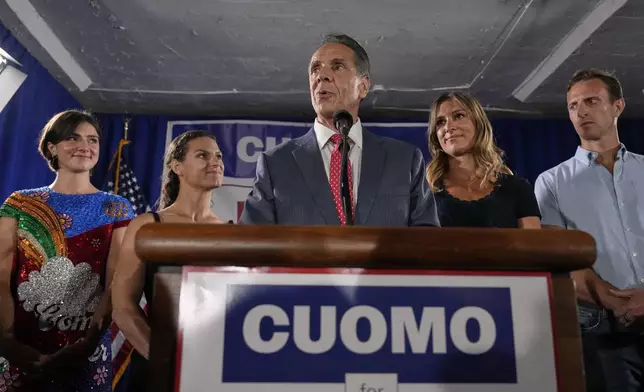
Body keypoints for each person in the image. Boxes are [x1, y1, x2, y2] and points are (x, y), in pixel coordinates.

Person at [240, 33, 439, 226]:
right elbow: (250, 246)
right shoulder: (275, 164)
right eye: (315, 69)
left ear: (363, 86)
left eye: (337, 67)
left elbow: (427, 242)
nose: (322, 76)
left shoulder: (404, 160)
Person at [0, 109, 134, 391]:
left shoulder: (117, 207)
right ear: (52, 147)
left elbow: (114, 283)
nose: (85, 146)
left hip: (86, 352)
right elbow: (0, 277)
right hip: (17, 349)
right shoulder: (20, 203)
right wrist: (8, 341)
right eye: (73, 138)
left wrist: (86, 346)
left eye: (93, 139)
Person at [535, 68, 644, 391]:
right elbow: (559, 260)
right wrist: (616, 302)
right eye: (573, 105)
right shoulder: (551, 182)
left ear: (618, 106)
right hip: (602, 331)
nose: (581, 111)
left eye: (592, 101)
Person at [111, 130, 228, 390]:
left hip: (212, 367)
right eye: (202, 155)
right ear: (177, 167)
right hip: (158, 369)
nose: (215, 162)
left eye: (218, 156)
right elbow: (122, 306)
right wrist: (167, 362)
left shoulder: (231, 232)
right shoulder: (148, 226)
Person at [426, 92, 541, 228]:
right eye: (440, 122)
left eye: (459, 116)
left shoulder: (517, 189)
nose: (448, 127)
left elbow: (531, 246)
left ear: (479, 124)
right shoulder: (425, 192)